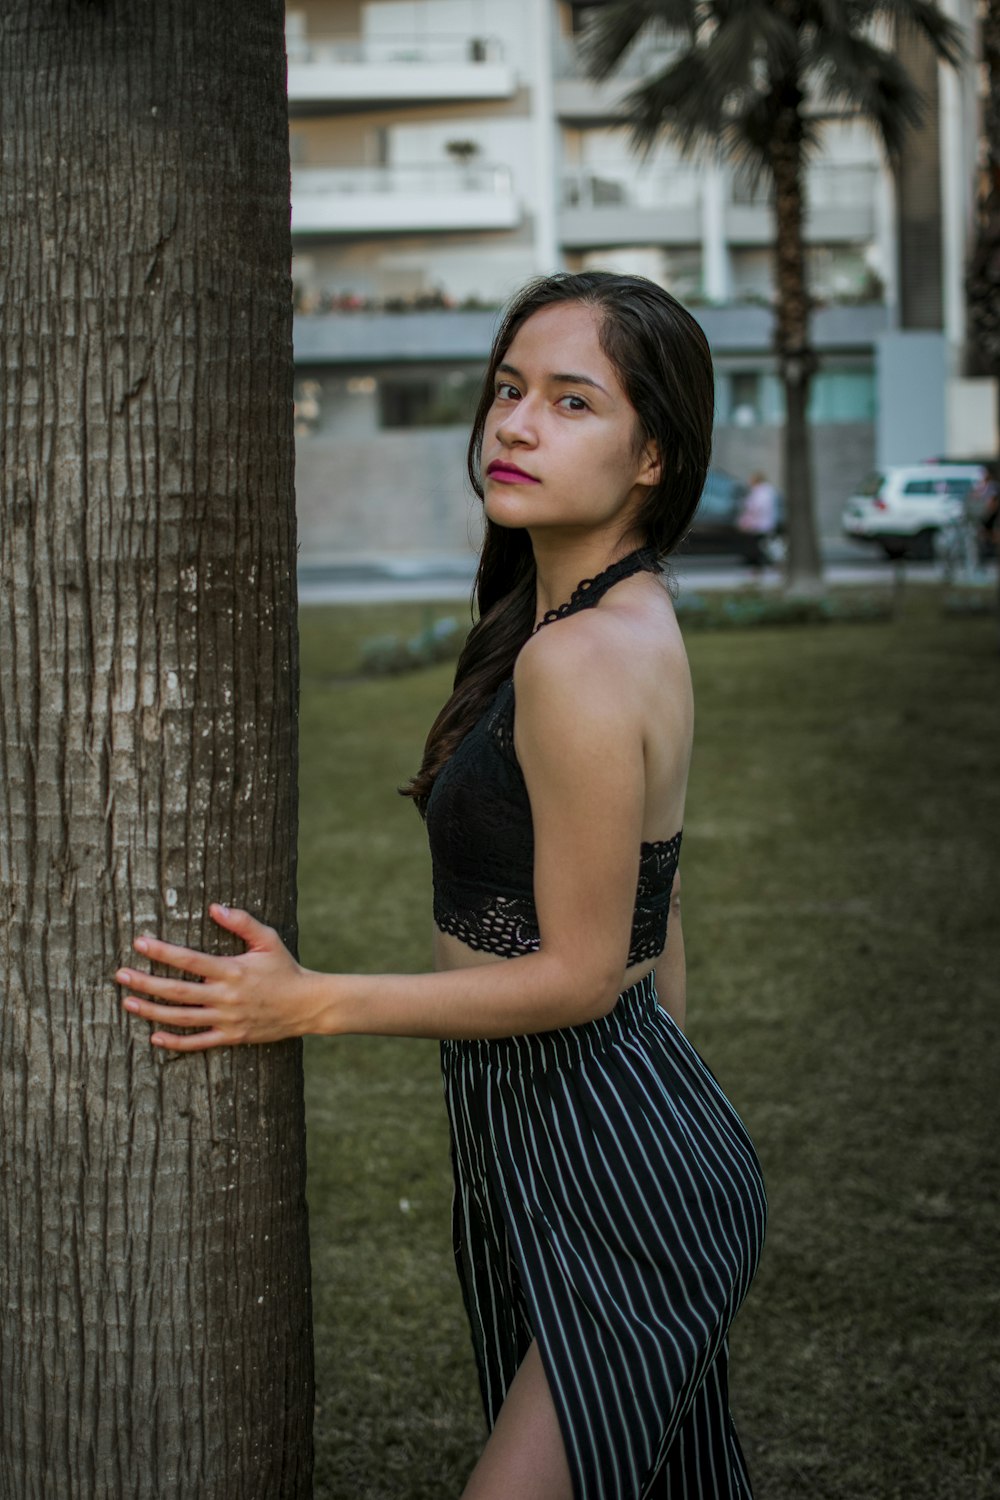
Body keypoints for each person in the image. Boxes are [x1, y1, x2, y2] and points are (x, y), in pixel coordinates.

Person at [114, 271, 767, 1499]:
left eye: (573, 403)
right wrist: (653, 1113)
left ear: (652, 457)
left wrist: (307, 1003)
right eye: (510, 390)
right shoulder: (604, 617)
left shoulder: (578, 658)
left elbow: (579, 975)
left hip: (618, 1169)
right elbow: (654, 906)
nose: (515, 425)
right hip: (598, 1147)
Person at [736, 471, 779, 571]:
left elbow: (757, 507)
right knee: (760, 545)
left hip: (760, 523)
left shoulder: (762, 491)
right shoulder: (765, 490)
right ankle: (760, 565)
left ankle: (759, 565)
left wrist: (748, 519)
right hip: (761, 523)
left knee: (759, 545)